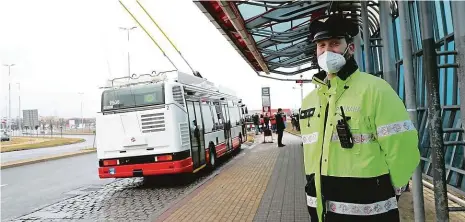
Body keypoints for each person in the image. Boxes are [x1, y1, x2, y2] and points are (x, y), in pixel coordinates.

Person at [300, 15, 420, 222]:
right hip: (321, 212)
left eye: (335, 43)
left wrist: (393, 188)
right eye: (322, 45)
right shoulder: (310, 100)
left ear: (351, 48)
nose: (327, 51)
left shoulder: (375, 90)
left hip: (372, 211)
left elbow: (403, 145)